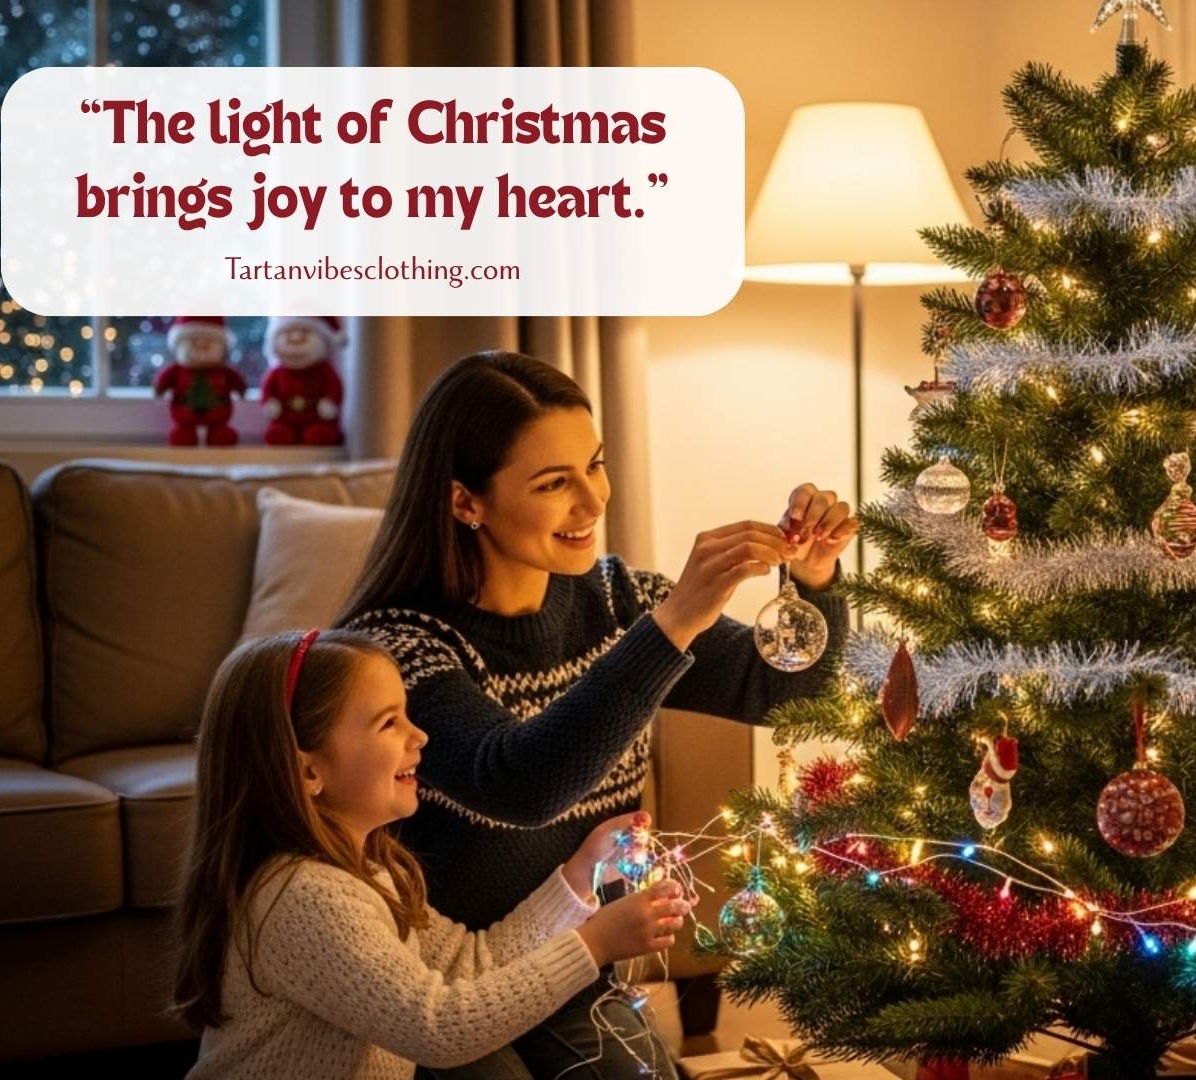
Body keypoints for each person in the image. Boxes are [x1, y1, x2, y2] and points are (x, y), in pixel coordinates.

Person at [336, 352, 857, 1079]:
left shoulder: (616, 600)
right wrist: (673, 624)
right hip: (442, 989)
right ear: (465, 502)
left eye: (595, 465)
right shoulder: (397, 647)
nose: (592, 501)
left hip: (574, 970)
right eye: (554, 483)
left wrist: (815, 576)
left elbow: (785, 692)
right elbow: (518, 783)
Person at [173, 629, 694, 1079]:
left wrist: (580, 877)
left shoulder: (372, 873)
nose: (419, 735)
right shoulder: (305, 897)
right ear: (309, 770)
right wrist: (594, 944)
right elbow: (439, 1027)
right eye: (388, 723)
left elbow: (473, 963)